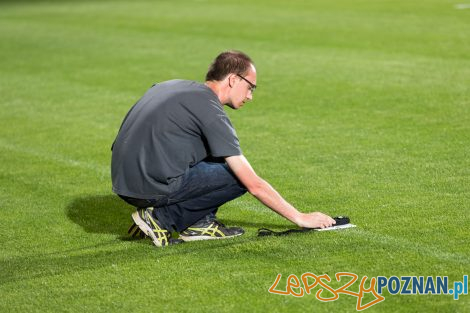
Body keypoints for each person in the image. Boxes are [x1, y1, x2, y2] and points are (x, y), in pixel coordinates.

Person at [111, 50, 335, 247]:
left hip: (122, 180)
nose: (250, 96)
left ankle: (200, 224)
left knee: (215, 153)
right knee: (235, 176)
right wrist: (300, 217)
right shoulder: (210, 111)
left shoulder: (172, 86)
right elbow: (253, 184)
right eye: (250, 87)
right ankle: (161, 219)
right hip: (147, 188)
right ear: (233, 79)